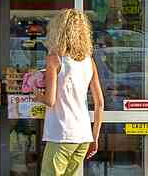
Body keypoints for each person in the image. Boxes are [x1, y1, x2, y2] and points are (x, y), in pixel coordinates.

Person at [34, 9, 105, 176]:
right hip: (83, 136)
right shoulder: (89, 60)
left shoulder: (54, 59)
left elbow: (50, 101)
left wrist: (37, 95)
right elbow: (100, 103)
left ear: (58, 31)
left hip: (61, 134)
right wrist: (94, 138)